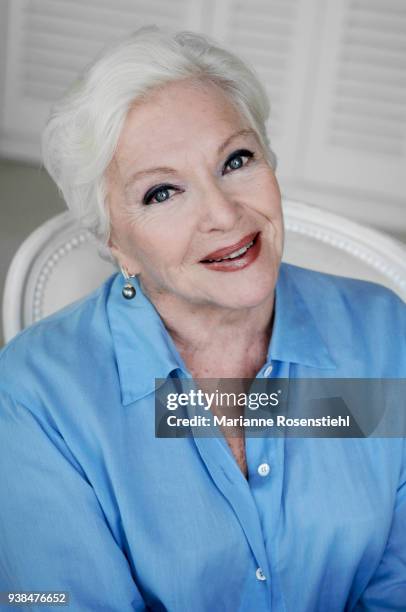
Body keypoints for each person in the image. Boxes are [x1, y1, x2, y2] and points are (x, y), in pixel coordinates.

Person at [0, 26, 405, 612]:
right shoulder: (37, 398)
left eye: (236, 160)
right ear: (116, 244)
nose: (223, 214)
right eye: (162, 193)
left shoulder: (383, 336)